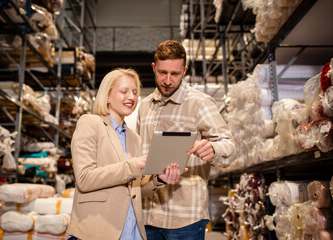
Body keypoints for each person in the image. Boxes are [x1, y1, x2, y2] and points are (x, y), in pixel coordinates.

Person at [137, 40, 237, 240]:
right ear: (153, 68)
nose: (167, 80)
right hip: (147, 215)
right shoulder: (145, 106)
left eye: (174, 74)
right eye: (162, 72)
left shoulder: (200, 103)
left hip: (185, 218)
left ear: (185, 70)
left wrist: (214, 149)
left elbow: (230, 146)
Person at [66, 68, 182, 240]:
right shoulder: (90, 123)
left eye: (135, 92)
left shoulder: (134, 138)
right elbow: (84, 179)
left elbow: (134, 191)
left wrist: (159, 179)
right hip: (98, 231)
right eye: (124, 91)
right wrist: (134, 166)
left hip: (131, 230)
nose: (131, 97)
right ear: (107, 95)